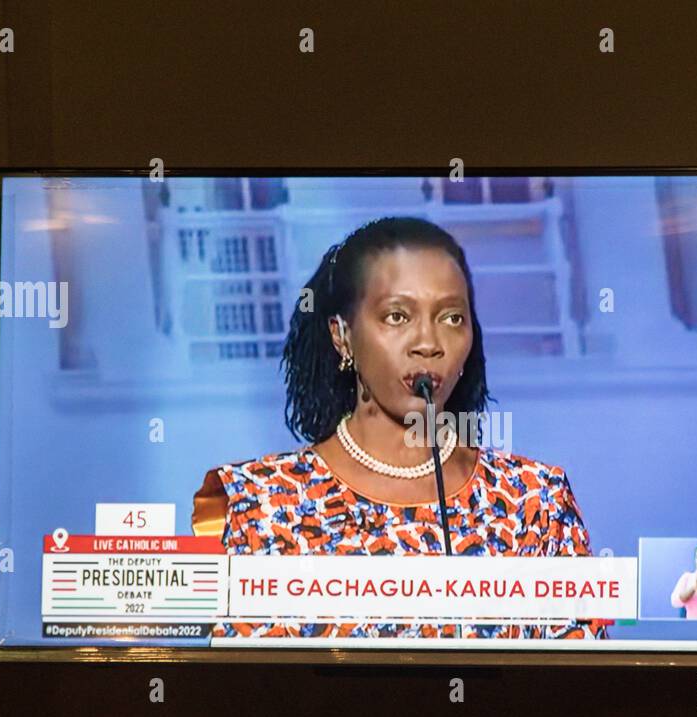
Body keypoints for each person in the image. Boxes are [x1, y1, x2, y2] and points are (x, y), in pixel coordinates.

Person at [192, 216, 607, 639]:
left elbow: (582, 684)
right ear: (343, 336)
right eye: (396, 316)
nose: (428, 342)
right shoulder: (258, 504)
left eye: (451, 318)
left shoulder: (534, 501)